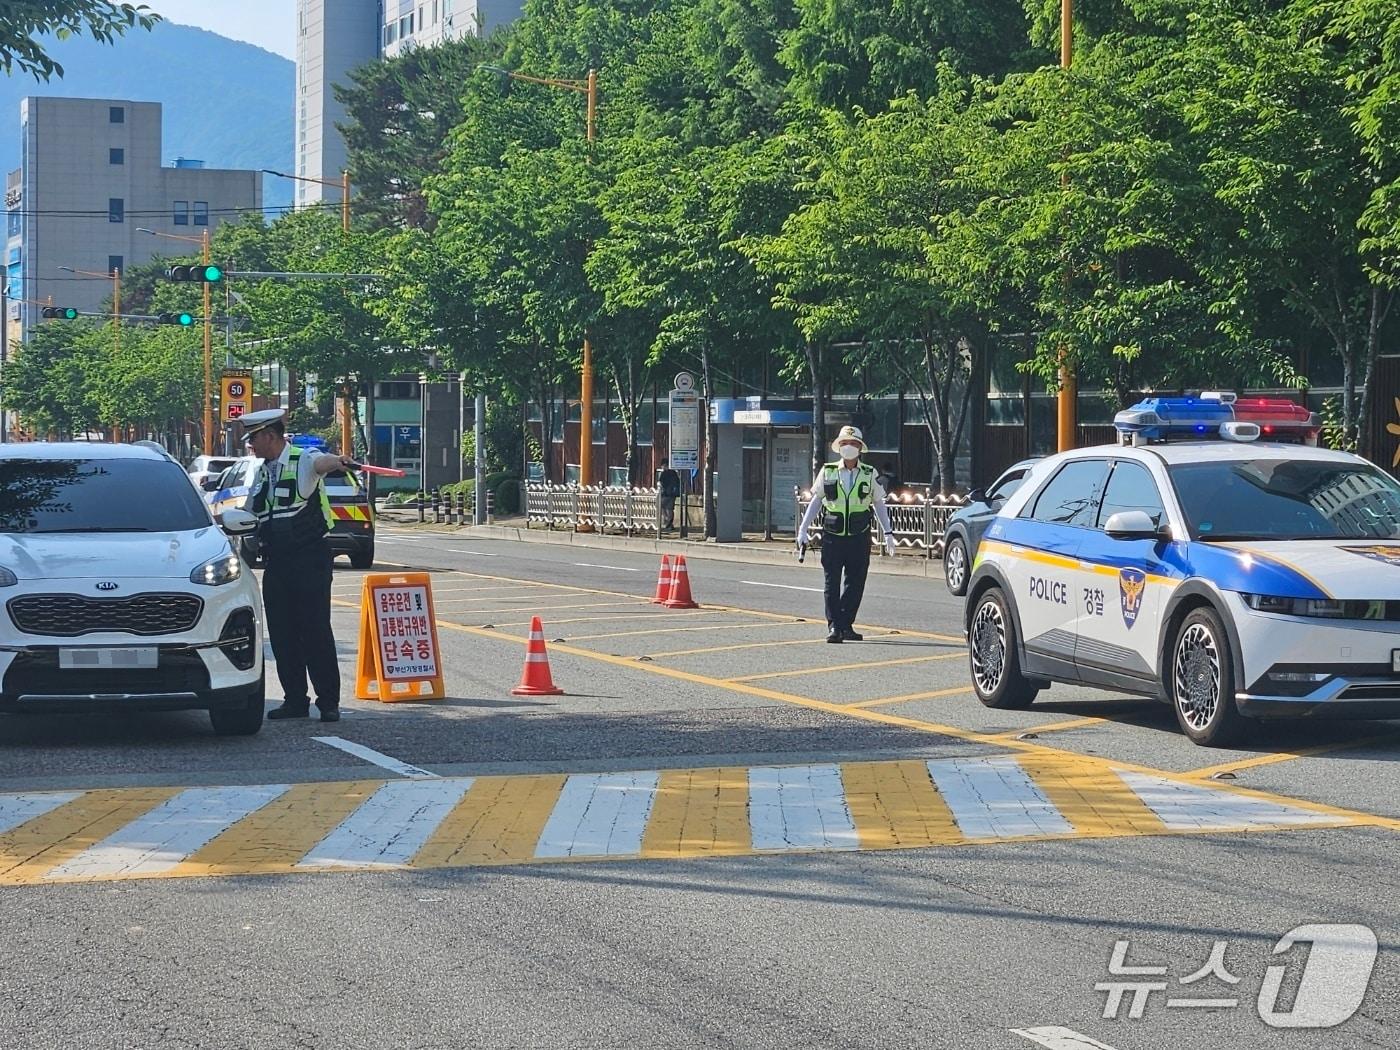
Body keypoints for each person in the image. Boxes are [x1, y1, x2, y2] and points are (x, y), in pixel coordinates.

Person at [240, 409, 356, 722]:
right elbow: (249, 513)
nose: (251, 445)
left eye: (253, 438)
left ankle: (328, 702)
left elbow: (323, 463)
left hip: (310, 559)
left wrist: (339, 460)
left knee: (314, 630)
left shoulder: (301, 459)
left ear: (269, 435)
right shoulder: (263, 472)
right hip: (277, 561)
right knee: (282, 633)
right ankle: (295, 700)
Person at [796, 426, 896, 643]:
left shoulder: (869, 474)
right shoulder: (828, 471)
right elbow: (816, 502)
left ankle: (846, 624)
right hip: (833, 535)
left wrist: (888, 532)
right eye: (844, 443)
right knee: (831, 582)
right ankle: (834, 627)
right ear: (839, 447)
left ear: (860, 448)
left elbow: (878, 503)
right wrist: (803, 529)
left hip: (859, 535)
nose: (848, 447)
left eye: (852, 443)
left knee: (856, 582)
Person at [657, 459, 681, 530]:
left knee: (661, 506)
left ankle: (667, 521)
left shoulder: (664, 473)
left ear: (664, 465)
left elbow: (661, 483)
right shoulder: (674, 472)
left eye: (662, 466)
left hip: (665, 494)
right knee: (670, 509)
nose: (662, 467)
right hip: (673, 494)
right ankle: (669, 523)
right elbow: (677, 482)